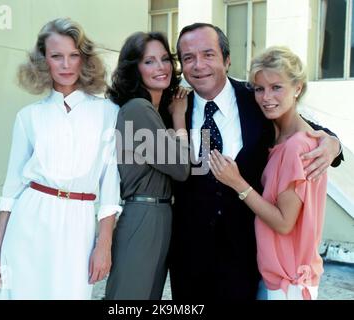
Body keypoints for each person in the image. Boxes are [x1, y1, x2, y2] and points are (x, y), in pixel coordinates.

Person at [167, 22, 343, 300]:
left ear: (227, 59)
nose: (198, 65)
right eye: (188, 58)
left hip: (248, 262)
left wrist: (334, 144)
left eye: (208, 54)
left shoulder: (258, 98)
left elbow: (303, 128)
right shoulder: (174, 108)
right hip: (189, 262)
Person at [0, 18, 122, 299]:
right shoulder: (28, 117)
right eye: (56, 56)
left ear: (84, 60)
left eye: (74, 56)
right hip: (29, 222)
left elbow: (110, 188)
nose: (66, 65)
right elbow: (12, 188)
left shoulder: (109, 112)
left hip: (79, 225)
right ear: (42, 61)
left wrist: (104, 243)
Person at [209, 46, 327, 300]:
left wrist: (237, 182)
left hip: (288, 283)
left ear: (297, 88)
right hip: (274, 275)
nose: (266, 97)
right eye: (260, 89)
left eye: (276, 87)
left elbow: (284, 223)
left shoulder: (297, 146)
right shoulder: (278, 137)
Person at [104, 31, 190, 299]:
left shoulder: (152, 111)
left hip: (159, 214)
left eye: (164, 59)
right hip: (143, 214)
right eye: (149, 61)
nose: (161, 67)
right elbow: (181, 168)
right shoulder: (138, 109)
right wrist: (179, 119)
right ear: (134, 68)